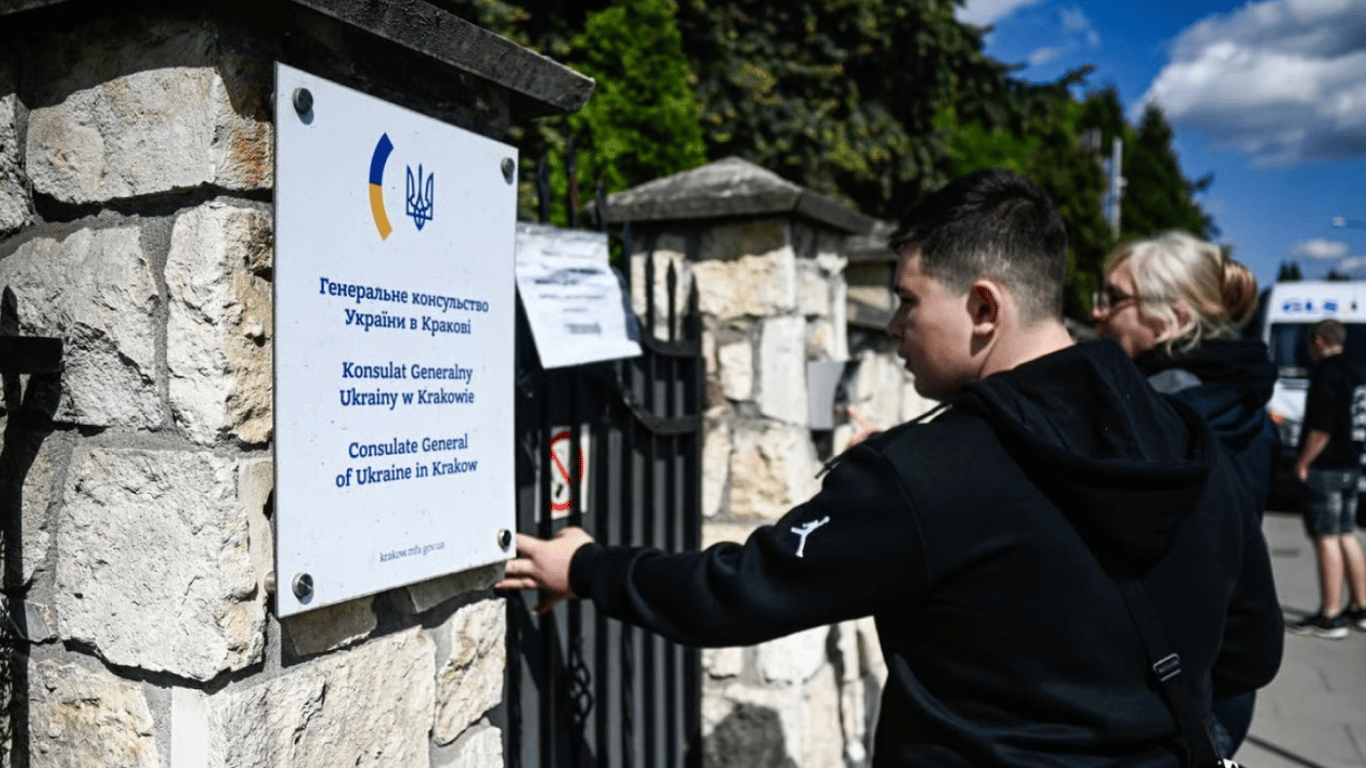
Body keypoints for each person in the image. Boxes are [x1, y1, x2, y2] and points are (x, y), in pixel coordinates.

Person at [498, 169, 1284, 766]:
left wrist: (588, 566)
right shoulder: (1193, 440)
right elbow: (1252, 650)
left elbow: (737, 594)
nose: (897, 326)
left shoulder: (925, 471)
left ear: (984, 308)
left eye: (908, 301)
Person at [1090, 230, 1279, 754]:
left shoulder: (1156, 417)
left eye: (1114, 298)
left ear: (1172, 318)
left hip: (1162, 702)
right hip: (1217, 687)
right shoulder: (1245, 404)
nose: (1097, 311)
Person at [1287, 318, 1366, 638]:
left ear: (1318, 340)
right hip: (1352, 463)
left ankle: (1330, 616)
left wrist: (1303, 463)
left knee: (1326, 538)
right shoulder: (1355, 372)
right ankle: (1361, 607)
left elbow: (1321, 429)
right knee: (1346, 533)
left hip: (1327, 466)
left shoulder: (1325, 375)